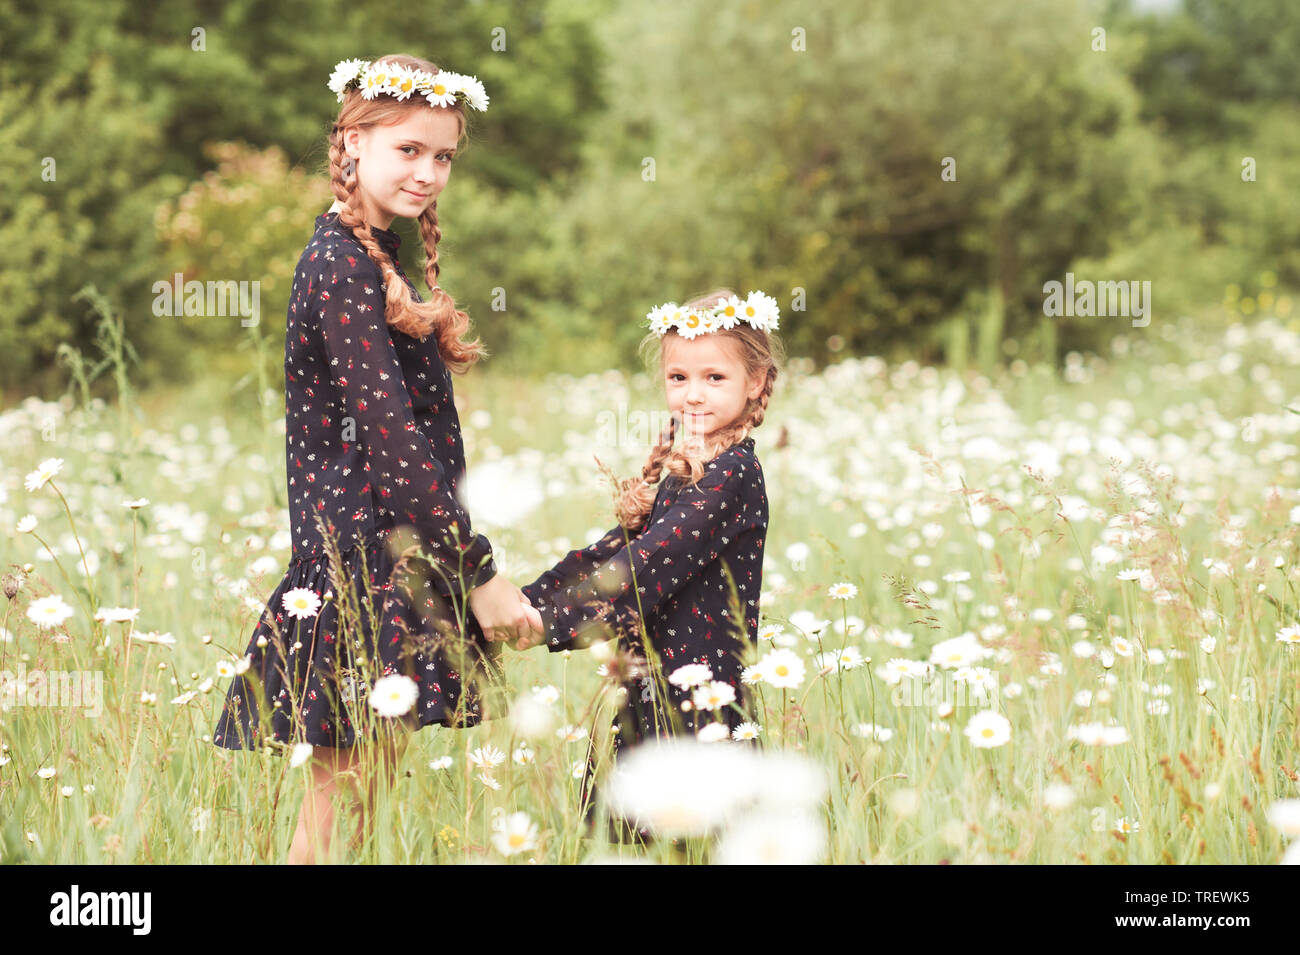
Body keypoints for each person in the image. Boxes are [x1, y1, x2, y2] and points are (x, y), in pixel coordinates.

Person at [211, 54, 542, 864]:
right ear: (351, 144)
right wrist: (480, 573)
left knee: (367, 789)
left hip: (397, 555)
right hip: (361, 561)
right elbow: (393, 446)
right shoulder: (340, 267)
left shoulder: (372, 260)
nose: (428, 172)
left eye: (444, 157)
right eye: (409, 150)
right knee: (340, 797)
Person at [519, 288, 781, 839]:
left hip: (702, 701)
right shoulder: (689, 469)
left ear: (755, 381)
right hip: (649, 690)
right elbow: (617, 549)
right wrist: (530, 599)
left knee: (693, 842)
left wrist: (551, 622)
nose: (692, 394)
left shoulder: (732, 475)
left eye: (715, 378)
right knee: (629, 841)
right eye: (678, 378)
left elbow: (646, 567)